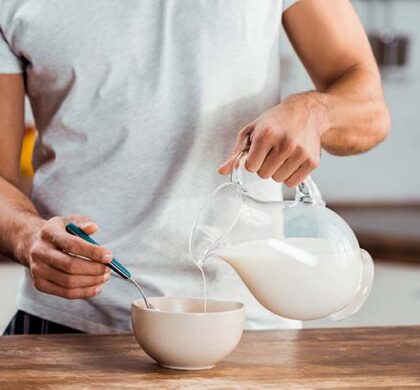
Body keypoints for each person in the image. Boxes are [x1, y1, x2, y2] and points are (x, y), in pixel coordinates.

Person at [0, 0, 390, 335]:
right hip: (68, 321)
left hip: (246, 327)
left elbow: (370, 112)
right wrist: (26, 235)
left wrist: (314, 111)